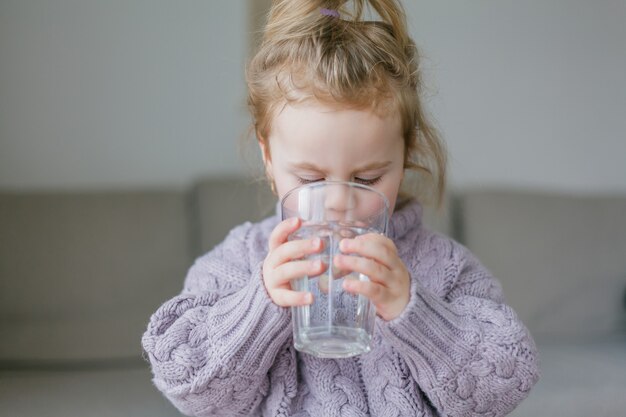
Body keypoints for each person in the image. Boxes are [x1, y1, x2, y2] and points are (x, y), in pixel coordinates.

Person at [142, 1, 539, 416]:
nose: (337, 201)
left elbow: (505, 383)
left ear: (405, 159)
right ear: (269, 159)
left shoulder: (446, 268)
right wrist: (259, 305)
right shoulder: (239, 261)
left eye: (366, 179)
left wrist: (416, 313)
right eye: (311, 180)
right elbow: (184, 382)